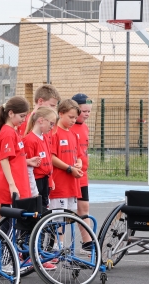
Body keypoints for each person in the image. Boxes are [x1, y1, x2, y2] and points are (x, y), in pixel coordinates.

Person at [49, 99, 93, 254]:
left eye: (75, 118)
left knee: (69, 215)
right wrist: (68, 168)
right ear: (61, 114)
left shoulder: (73, 134)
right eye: (71, 117)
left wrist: (79, 163)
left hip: (72, 184)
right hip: (59, 183)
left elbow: (78, 155)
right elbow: (52, 157)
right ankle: (56, 245)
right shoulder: (54, 132)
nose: (74, 121)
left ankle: (65, 246)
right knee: (58, 217)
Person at [0, 96, 34, 224]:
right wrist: (12, 185)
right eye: (21, 116)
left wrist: (28, 161)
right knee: (5, 212)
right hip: (11, 181)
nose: (24, 119)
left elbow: (14, 158)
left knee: (2, 209)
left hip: (16, 179)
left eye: (25, 116)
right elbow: (4, 159)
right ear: (10, 113)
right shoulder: (8, 132)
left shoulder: (12, 131)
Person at [23, 106, 58, 207]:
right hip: (36, 180)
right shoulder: (29, 140)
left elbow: (48, 161)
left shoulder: (45, 138)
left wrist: (50, 180)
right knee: (37, 210)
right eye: (51, 124)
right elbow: (28, 168)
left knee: (44, 209)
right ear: (41, 120)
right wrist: (34, 190)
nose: (52, 127)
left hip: (44, 180)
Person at [71, 93, 92, 222]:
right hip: (69, 173)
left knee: (84, 208)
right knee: (64, 210)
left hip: (82, 174)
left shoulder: (85, 127)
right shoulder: (67, 126)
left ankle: (88, 242)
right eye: (84, 111)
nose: (87, 114)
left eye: (89, 111)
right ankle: (57, 241)